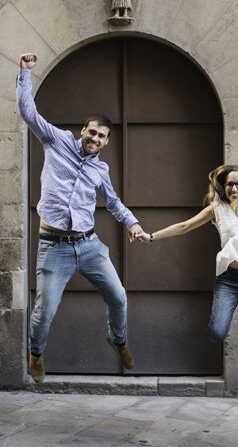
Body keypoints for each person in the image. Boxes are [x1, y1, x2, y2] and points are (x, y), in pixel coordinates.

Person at [16, 53, 145, 383]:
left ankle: (116, 340)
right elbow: (28, 113)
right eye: (91, 132)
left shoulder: (101, 169)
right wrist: (24, 73)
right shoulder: (56, 140)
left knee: (118, 297)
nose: (95, 139)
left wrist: (132, 223)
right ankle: (36, 352)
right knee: (44, 311)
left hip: (89, 246)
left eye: (101, 136)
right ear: (82, 130)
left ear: (106, 141)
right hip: (53, 247)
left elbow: (114, 202)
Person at [135, 122, 238, 346]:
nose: (234, 189)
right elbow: (186, 226)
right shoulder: (216, 209)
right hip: (229, 279)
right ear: (222, 186)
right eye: (229, 185)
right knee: (216, 333)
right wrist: (151, 236)